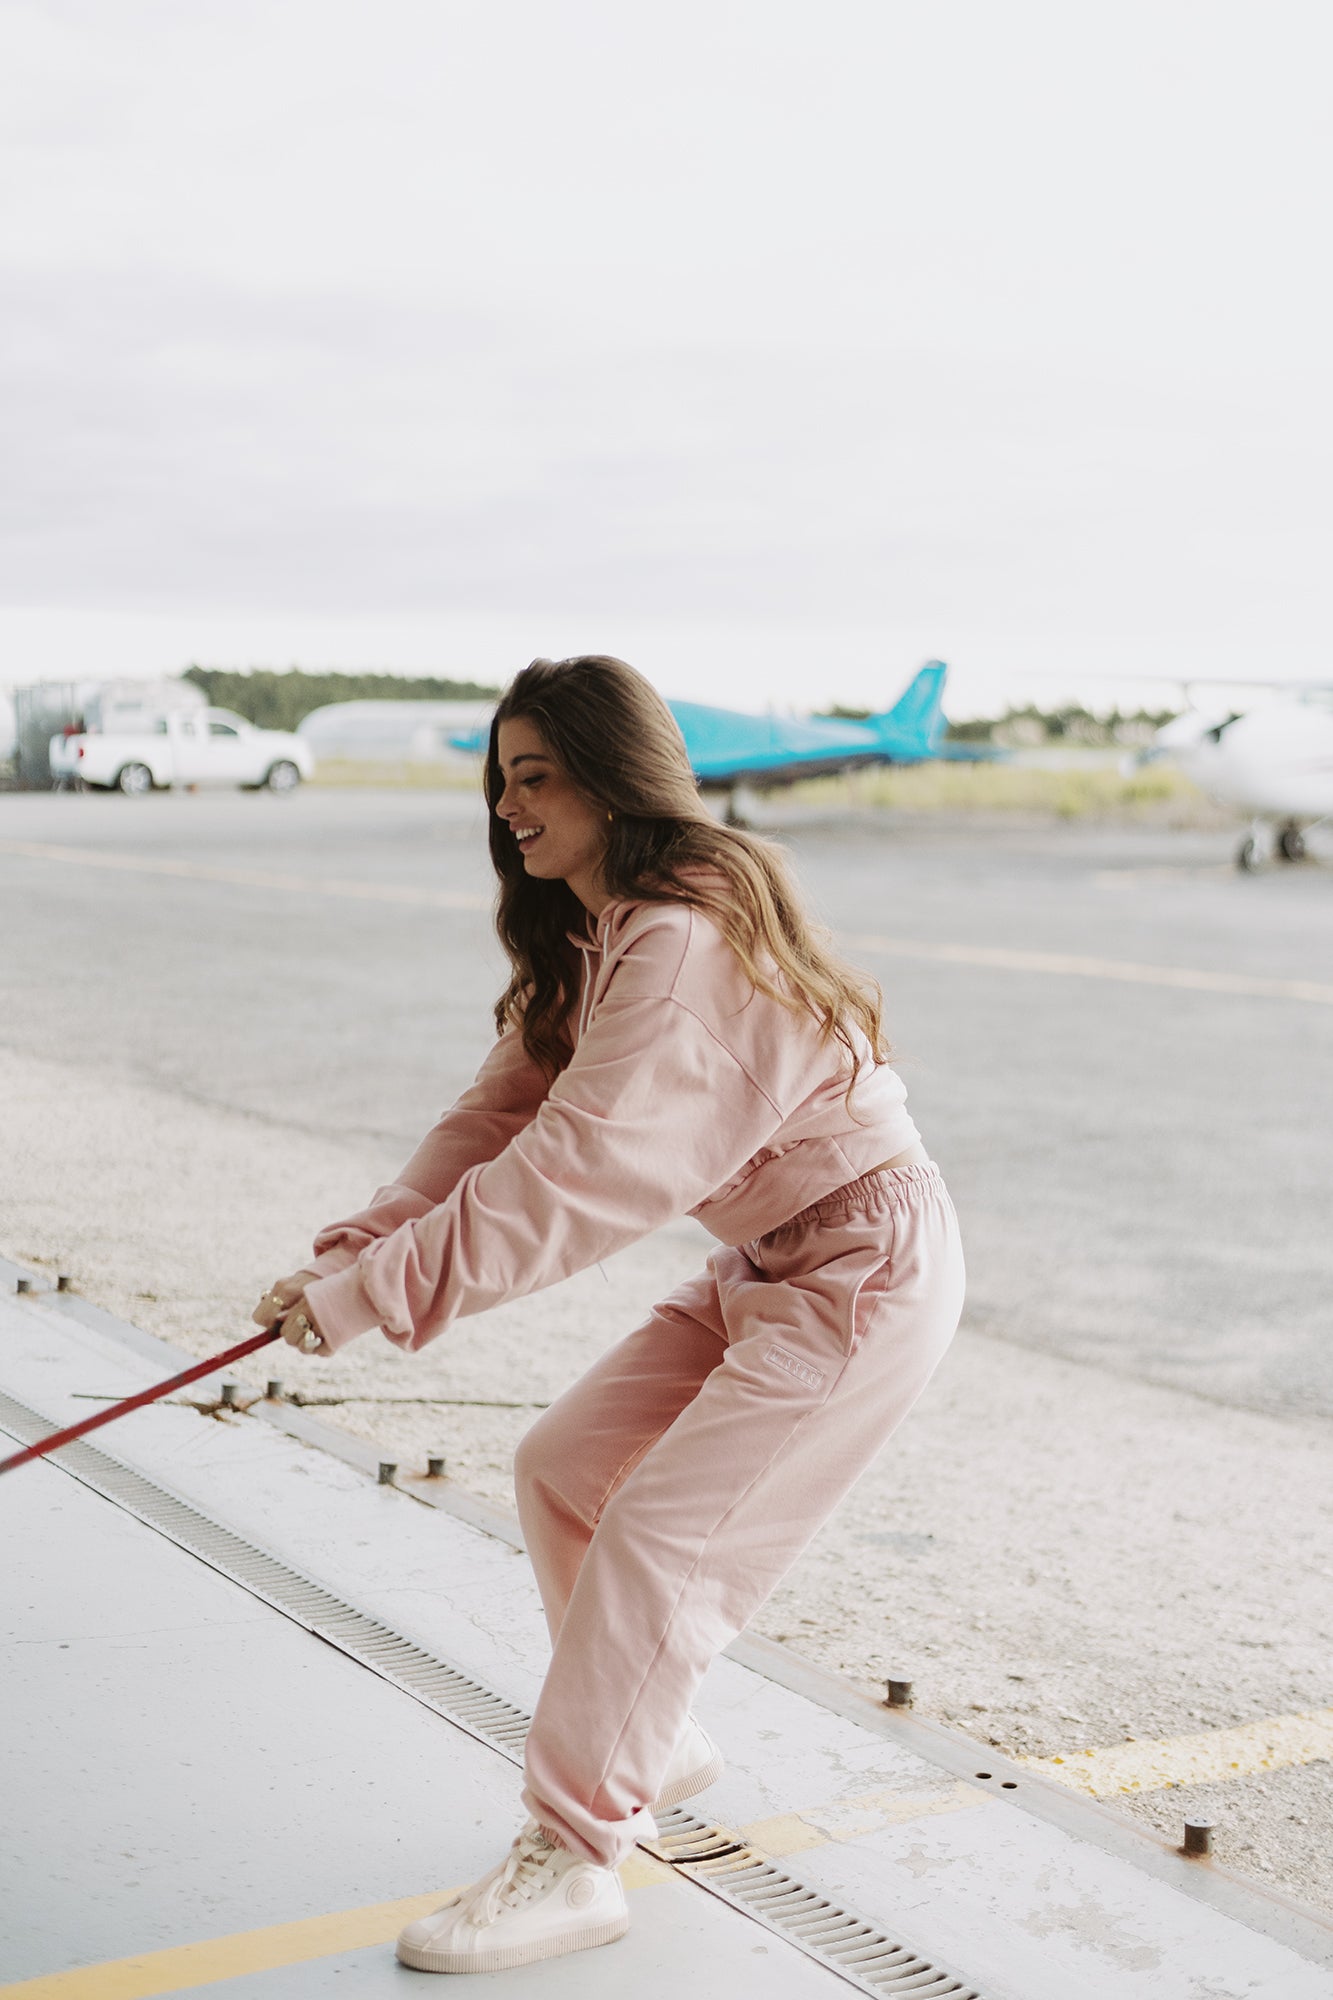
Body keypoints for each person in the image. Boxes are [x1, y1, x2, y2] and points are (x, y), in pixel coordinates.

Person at [254, 655, 966, 1976]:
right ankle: (653, 1731)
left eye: (539, 776)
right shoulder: (598, 932)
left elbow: (577, 1173)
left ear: (613, 776)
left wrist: (369, 1298)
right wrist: (349, 1255)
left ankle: (578, 1855)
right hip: (770, 1259)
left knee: (659, 1535)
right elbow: (489, 1122)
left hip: (861, 1266)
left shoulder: (681, 939)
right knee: (563, 1469)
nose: (512, 806)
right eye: (502, 780)